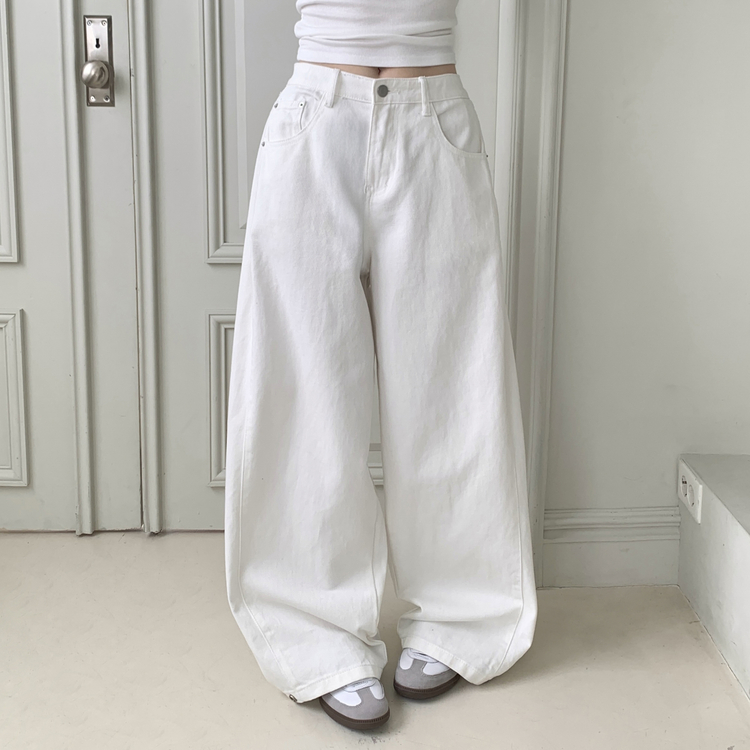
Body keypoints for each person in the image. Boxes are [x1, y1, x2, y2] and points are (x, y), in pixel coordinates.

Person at [224, 0, 538, 732]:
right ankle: (314, 631)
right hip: (315, 114)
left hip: (434, 117)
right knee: (301, 394)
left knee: (452, 385)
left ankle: (463, 616)